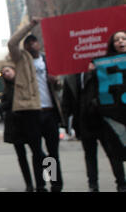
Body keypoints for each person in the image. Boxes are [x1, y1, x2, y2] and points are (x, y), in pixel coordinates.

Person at [8, 17, 66, 192]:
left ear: (39, 44)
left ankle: (55, 183)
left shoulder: (47, 60)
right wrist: (30, 26)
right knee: (37, 152)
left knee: (52, 152)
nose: (32, 45)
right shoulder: (21, 59)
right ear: (25, 47)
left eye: (35, 42)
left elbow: (60, 85)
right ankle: (41, 186)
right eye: (28, 42)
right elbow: (12, 42)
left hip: (49, 111)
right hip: (31, 111)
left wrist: (56, 81)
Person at [66, 30, 126, 192]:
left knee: (113, 153)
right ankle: (93, 185)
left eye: (123, 39)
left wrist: (94, 73)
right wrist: (68, 122)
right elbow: (68, 100)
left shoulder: (107, 66)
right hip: (85, 121)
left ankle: (121, 183)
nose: (121, 42)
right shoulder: (73, 75)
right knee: (90, 156)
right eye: (117, 39)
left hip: (105, 118)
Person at [0, 64, 34, 192]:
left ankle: (44, 181)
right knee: (22, 157)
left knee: (38, 154)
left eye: (7, 71)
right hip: (15, 127)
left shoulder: (24, 83)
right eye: (4, 73)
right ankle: (29, 184)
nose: (6, 74)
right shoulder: (7, 90)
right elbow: (3, 105)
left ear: (14, 70)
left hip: (28, 124)